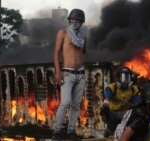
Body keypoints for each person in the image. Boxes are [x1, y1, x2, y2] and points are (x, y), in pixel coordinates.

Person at [53, 8, 87, 141]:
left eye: (77, 19)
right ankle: (57, 132)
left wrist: (82, 64)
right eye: (72, 19)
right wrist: (57, 72)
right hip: (67, 73)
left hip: (81, 74)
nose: (74, 22)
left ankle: (71, 131)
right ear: (69, 20)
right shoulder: (63, 33)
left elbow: (84, 52)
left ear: (81, 22)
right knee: (65, 102)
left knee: (76, 104)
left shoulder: (83, 36)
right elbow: (56, 53)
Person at [101, 66, 141, 136]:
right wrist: (105, 106)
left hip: (127, 114)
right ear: (118, 78)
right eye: (123, 77)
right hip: (114, 113)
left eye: (127, 77)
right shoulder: (112, 87)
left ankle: (131, 133)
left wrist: (128, 103)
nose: (125, 81)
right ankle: (111, 131)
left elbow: (137, 105)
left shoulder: (134, 89)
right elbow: (106, 101)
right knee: (104, 111)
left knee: (139, 113)